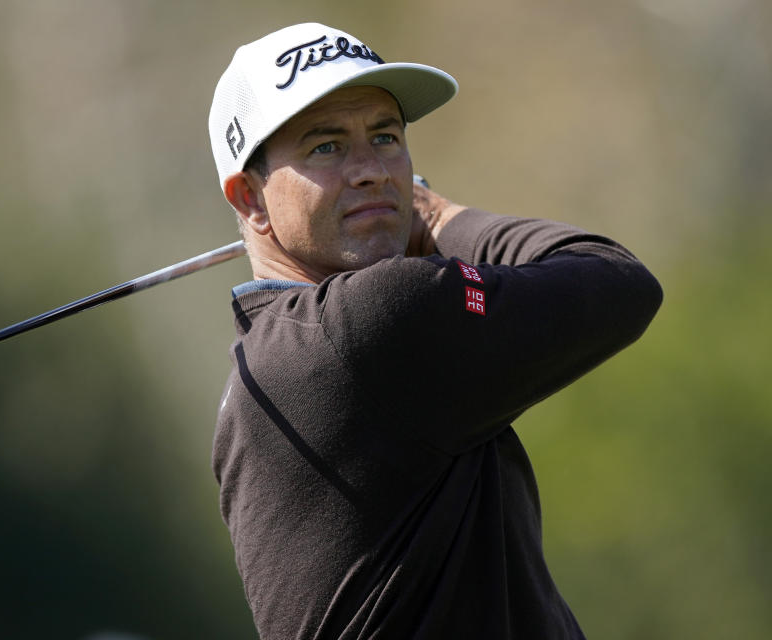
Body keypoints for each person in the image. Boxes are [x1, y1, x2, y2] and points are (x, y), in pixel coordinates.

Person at [207, 22, 662, 640]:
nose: (372, 170)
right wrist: (441, 216)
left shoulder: (253, 378)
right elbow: (618, 281)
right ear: (250, 199)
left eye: (386, 136)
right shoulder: (376, 322)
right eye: (326, 147)